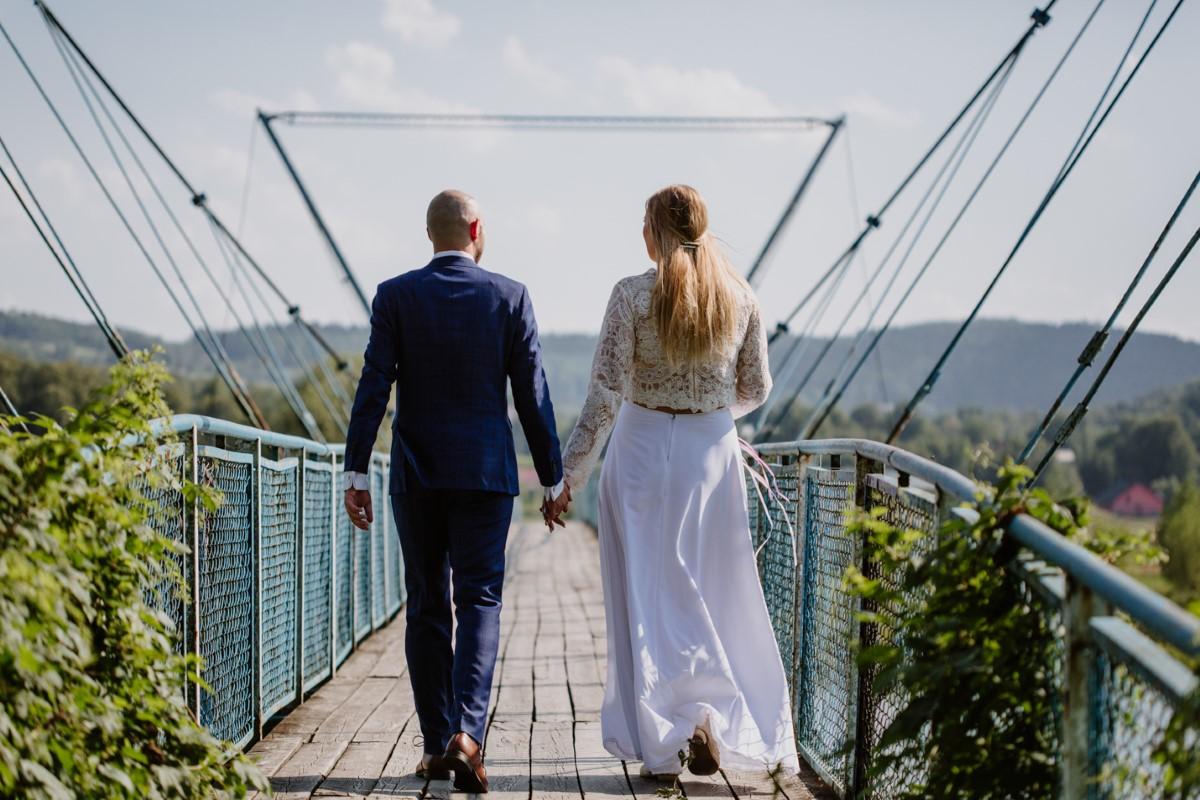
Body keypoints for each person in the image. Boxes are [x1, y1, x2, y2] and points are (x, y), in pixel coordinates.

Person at [544, 184, 799, 779]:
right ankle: (715, 711)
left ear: (652, 233)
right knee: (717, 586)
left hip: (639, 448)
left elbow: (605, 394)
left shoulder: (632, 295)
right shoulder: (740, 297)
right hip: (710, 454)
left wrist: (568, 475)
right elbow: (756, 387)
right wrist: (713, 419)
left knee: (646, 593)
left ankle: (665, 741)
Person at [342, 190, 569, 794]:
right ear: (476, 229)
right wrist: (553, 478)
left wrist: (356, 471)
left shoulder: (395, 296)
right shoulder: (510, 296)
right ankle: (467, 736)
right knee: (479, 601)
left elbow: (373, 386)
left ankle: (434, 742)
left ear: (430, 234)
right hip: (486, 477)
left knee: (425, 604)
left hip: (416, 476)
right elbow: (533, 394)